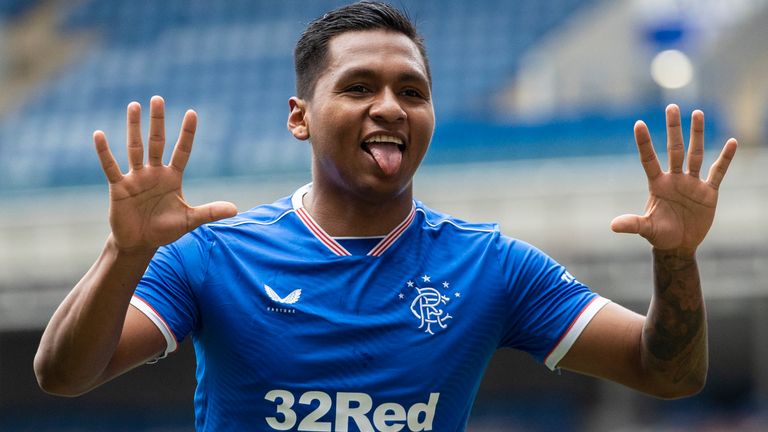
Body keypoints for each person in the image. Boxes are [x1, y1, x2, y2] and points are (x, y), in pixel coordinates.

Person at [34, 1, 738, 430]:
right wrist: (123, 254)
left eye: (412, 90)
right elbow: (64, 374)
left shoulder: (492, 266)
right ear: (299, 117)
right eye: (360, 86)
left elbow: (668, 375)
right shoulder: (213, 256)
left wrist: (675, 259)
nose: (391, 107)